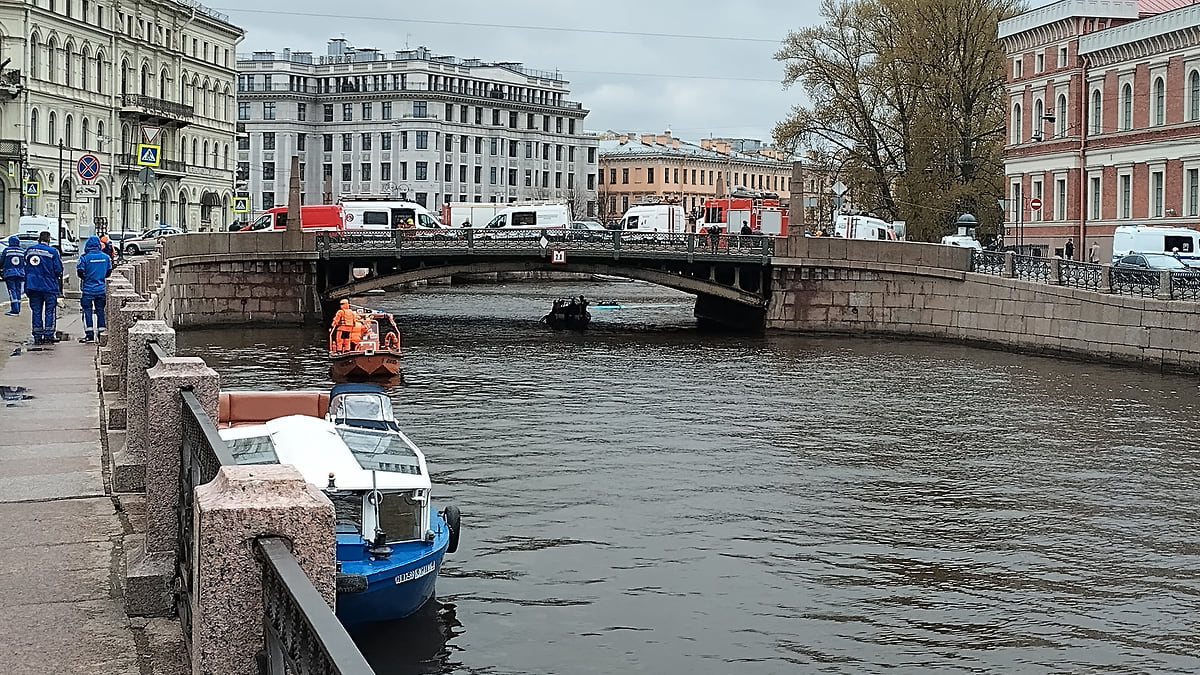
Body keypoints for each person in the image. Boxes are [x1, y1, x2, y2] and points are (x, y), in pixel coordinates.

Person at [24, 231, 63, 344]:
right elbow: (58, 270)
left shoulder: (30, 250)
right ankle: (49, 335)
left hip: (33, 285)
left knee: (36, 311)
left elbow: (25, 266)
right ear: (48, 239)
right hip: (48, 286)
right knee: (49, 310)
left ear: (39, 239)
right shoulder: (52, 252)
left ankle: (37, 336)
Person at [76, 235, 112, 343]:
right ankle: (101, 334)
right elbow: (108, 272)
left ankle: (89, 334)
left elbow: (80, 272)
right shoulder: (105, 257)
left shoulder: (84, 257)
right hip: (101, 289)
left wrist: (87, 278)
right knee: (100, 311)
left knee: (87, 311)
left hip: (87, 289)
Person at [2, 235, 24, 315]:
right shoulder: (22, 251)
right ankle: (18, 307)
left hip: (9, 273)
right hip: (20, 273)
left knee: (12, 290)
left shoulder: (6, 251)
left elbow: (1, 261)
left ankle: (14, 309)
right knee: (18, 290)